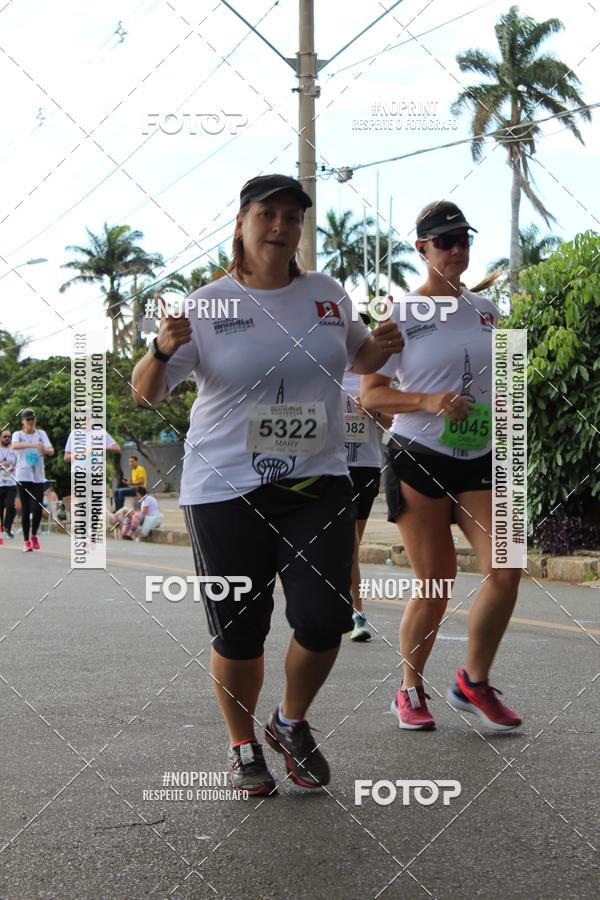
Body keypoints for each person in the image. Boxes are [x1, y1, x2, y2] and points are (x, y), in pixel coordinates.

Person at [132, 173, 403, 795]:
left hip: (317, 480)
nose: (280, 226)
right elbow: (146, 393)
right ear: (241, 222)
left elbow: (358, 359)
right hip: (225, 487)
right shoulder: (206, 304)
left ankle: (290, 720)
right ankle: (242, 743)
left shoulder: (327, 295)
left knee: (324, 618)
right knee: (239, 631)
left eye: (292, 217)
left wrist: (381, 345)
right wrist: (157, 347)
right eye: (268, 215)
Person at [361, 200, 522, 733]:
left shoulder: (487, 310)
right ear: (422, 249)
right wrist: (427, 401)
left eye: (464, 239)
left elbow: (501, 384)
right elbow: (371, 396)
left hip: (477, 454)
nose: (458, 249)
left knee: (507, 566)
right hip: (418, 460)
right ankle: (409, 688)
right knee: (435, 585)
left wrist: (505, 415)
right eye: (446, 241)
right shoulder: (399, 313)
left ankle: (472, 681)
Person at [342, 327, 394, 641]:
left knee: (350, 549)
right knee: (350, 545)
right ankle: (357, 614)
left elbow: (393, 420)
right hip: (334, 468)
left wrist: (373, 410)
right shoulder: (326, 371)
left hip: (367, 466)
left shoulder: (373, 374)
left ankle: (342, 601)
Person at [11, 409, 54, 551]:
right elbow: (15, 445)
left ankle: (34, 534)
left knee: (38, 507)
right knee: (26, 508)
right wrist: (32, 445)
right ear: (23, 421)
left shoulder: (41, 434)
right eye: (28, 420)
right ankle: (26, 541)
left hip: (38, 475)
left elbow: (51, 450)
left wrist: (45, 450)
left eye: (32, 419)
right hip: (23, 475)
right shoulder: (18, 434)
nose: (30, 422)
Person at [0, 428, 18, 540]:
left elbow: (19, 464)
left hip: (11, 482)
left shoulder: (14, 450)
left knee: (11, 506)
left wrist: (12, 467)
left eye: (9, 437)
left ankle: (8, 527)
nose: (7, 439)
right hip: (0, 483)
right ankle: (1, 528)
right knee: (0, 507)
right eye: (5, 436)